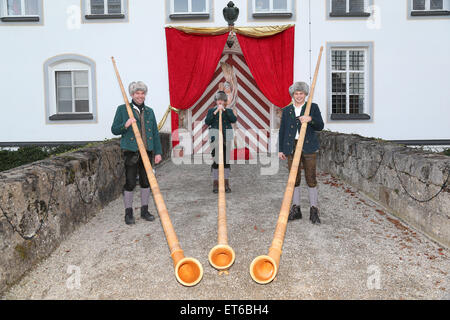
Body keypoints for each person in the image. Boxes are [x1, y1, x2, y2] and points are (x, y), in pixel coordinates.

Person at [111, 81, 162, 225]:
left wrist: (158, 152)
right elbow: (114, 129)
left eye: (142, 93)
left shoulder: (149, 111)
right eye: (137, 93)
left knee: (146, 182)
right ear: (132, 95)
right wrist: (125, 124)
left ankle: (144, 211)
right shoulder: (123, 110)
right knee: (130, 182)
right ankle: (128, 213)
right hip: (131, 152)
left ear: (145, 95)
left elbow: (155, 134)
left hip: (147, 151)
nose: (140, 96)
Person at [278, 82, 324, 224]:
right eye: (296, 93)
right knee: (294, 178)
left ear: (305, 95)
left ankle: (314, 210)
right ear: (293, 95)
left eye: (301, 93)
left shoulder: (312, 107)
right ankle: (296, 208)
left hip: (308, 147)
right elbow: (283, 131)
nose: (299, 96)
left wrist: (310, 119)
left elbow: (320, 125)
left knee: (310, 177)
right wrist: (281, 149)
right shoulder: (287, 110)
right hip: (292, 147)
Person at [205, 91, 237, 193]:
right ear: (216, 101)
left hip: (226, 138)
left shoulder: (229, 111)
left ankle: (226, 183)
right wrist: (215, 112)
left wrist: (225, 111)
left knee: (226, 161)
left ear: (225, 102)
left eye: (222, 100)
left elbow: (233, 120)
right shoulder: (211, 110)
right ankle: (215, 183)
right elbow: (207, 121)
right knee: (216, 161)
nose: (220, 102)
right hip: (215, 138)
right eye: (219, 100)